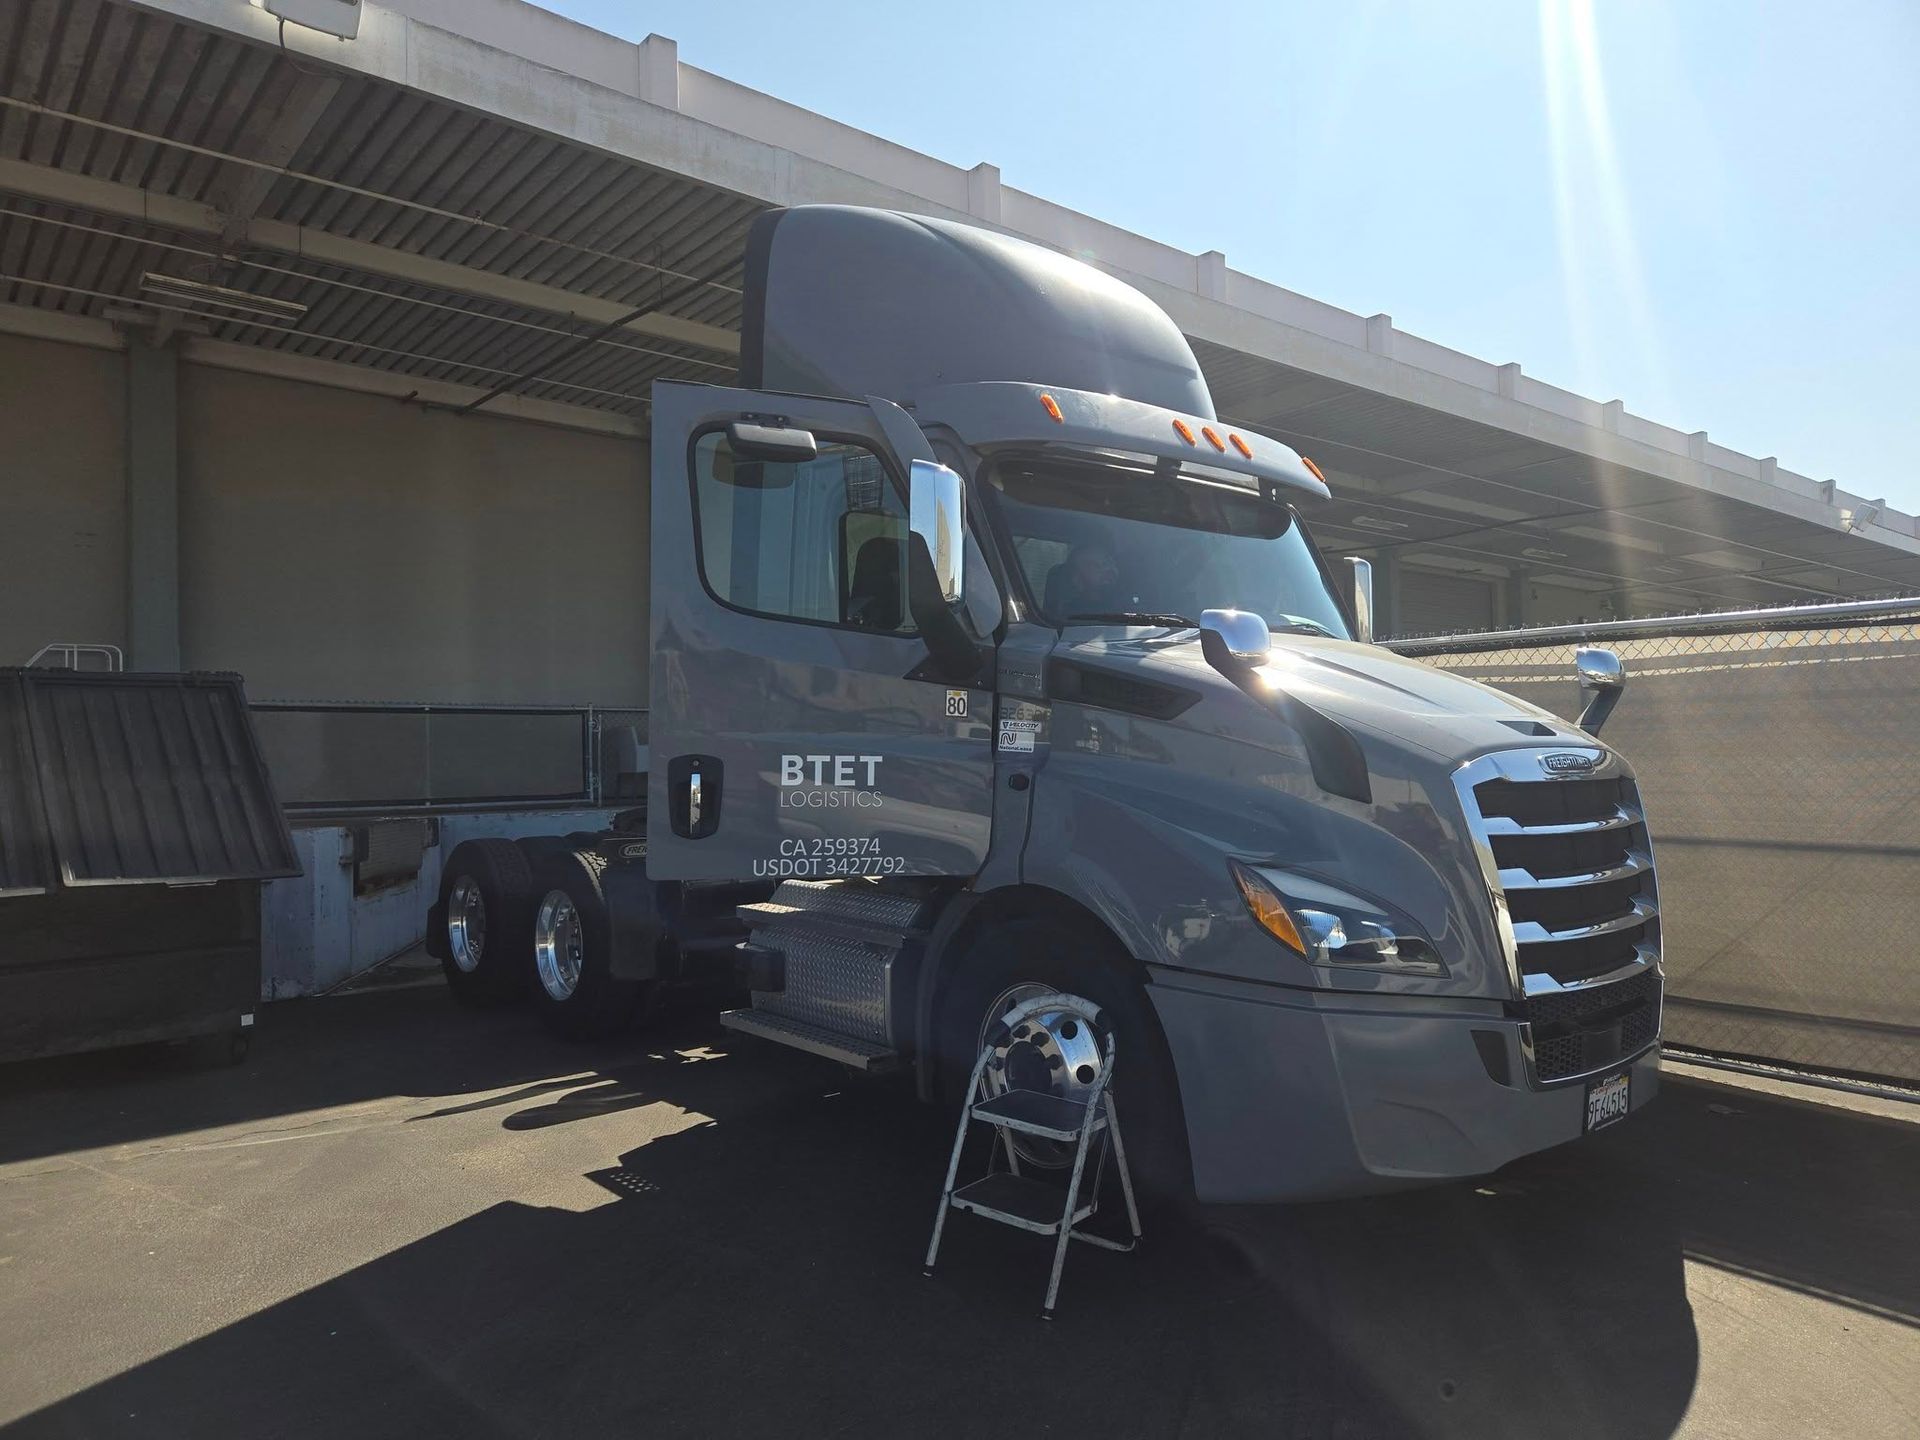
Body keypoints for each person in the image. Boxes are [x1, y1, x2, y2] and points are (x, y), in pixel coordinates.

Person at [1044, 541, 1123, 618]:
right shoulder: (1070, 617)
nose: (1107, 569)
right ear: (1077, 580)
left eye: (1108, 562)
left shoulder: (1131, 609)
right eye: (1096, 566)